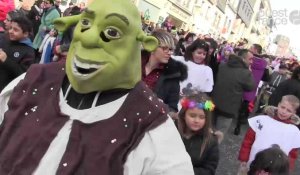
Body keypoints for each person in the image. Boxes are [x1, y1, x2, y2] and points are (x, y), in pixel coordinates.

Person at [0, 0, 194, 174]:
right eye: (85, 24)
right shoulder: (33, 80)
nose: (88, 38)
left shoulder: (152, 126)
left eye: (111, 32)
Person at [238, 95, 300, 172]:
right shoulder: (261, 120)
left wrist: (287, 170)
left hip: (275, 169)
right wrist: (244, 158)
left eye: (288, 110)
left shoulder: (294, 131)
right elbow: (248, 141)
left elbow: (292, 155)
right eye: (282, 107)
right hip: (252, 163)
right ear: (278, 104)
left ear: (294, 112)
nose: (284, 112)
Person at [141, 29, 187, 112]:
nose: (170, 53)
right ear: (152, 46)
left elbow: (173, 108)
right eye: (165, 48)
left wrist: (161, 107)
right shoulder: (134, 63)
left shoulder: (173, 75)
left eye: (171, 49)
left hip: (148, 122)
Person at [177, 92, 220, 175]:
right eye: (192, 115)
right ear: (184, 115)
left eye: (202, 117)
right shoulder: (173, 131)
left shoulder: (210, 141)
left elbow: (209, 169)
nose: (196, 120)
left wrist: (186, 172)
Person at [212, 53, 255, 134]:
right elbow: (251, 87)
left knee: (208, 130)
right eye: (250, 59)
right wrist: (250, 72)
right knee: (219, 134)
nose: (252, 62)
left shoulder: (222, 65)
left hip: (212, 104)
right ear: (243, 59)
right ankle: (212, 146)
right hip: (228, 109)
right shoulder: (245, 73)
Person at [0, 15, 35, 92]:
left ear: (25, 34)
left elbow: (23, 75)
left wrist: (6, 60)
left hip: (6, 90)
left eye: (15, 30)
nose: (10, 31)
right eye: (11, 28)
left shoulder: (28, 52)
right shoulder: (6, 39)